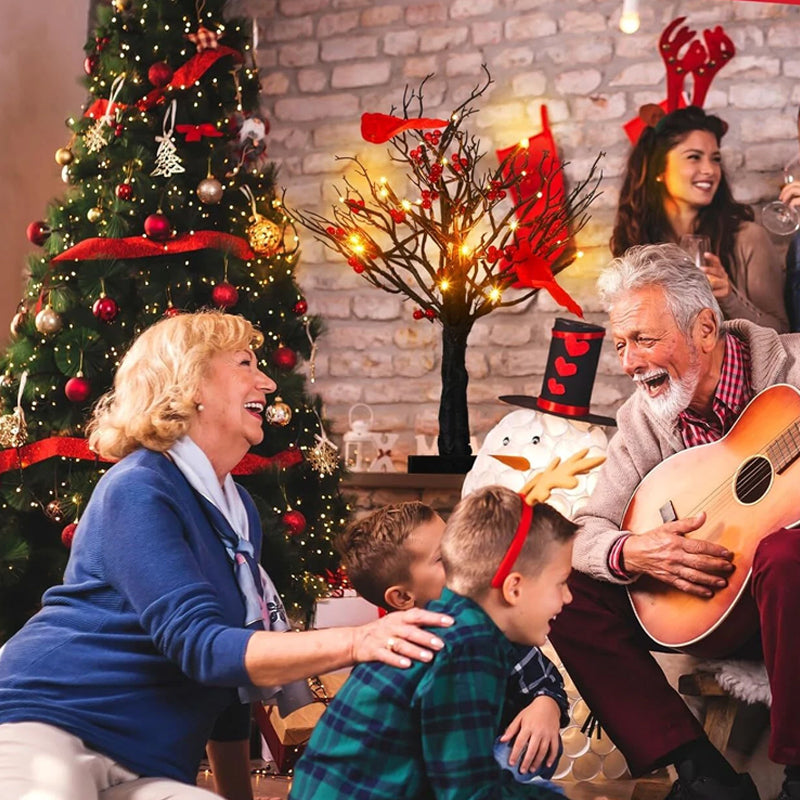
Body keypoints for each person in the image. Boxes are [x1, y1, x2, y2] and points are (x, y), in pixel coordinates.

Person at [0, 310, 453, 800]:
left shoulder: (238, 516)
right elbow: (201, 645)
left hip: (145, 765)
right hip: (49, 723)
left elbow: (231, 680)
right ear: (192, 383)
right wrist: (360, 639)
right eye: (245, 364)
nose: (268, 382)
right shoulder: (139, 487)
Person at [547, 243, 800, 800]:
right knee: (563, 591)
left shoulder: (794, 369)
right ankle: (700, 773)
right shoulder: (640, 418)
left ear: (705, 329)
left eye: (644, 339)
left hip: (788, 598)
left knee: (786, 557)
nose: (630, 362)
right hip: (706, 606)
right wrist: (632, 553)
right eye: (621, 344)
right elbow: (587, 530)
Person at [288, 484, 577, 800]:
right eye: (560, 583)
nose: (568, 597)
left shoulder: (454, 625)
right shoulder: (470, 644)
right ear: (514, 588)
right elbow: (468, 794)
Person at [611, 105, 789, 333]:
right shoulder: (636, 240)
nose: (710, 170)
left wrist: (729, 298)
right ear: (659, 169)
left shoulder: (748, 238)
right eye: (694, 157)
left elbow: (783, 333)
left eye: (715, 159)